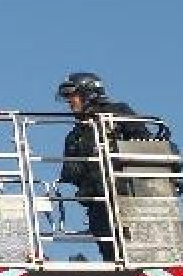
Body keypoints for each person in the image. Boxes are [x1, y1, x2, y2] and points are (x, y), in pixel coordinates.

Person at [55, 72, 147, 260]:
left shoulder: (118, 113)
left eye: (73, 96)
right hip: (98, 203)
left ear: (88, 93)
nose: (70, 103)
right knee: (112, 255)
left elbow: (144, 143)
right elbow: (70, 173)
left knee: (135, 250)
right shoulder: (74, 136)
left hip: (129, 196)